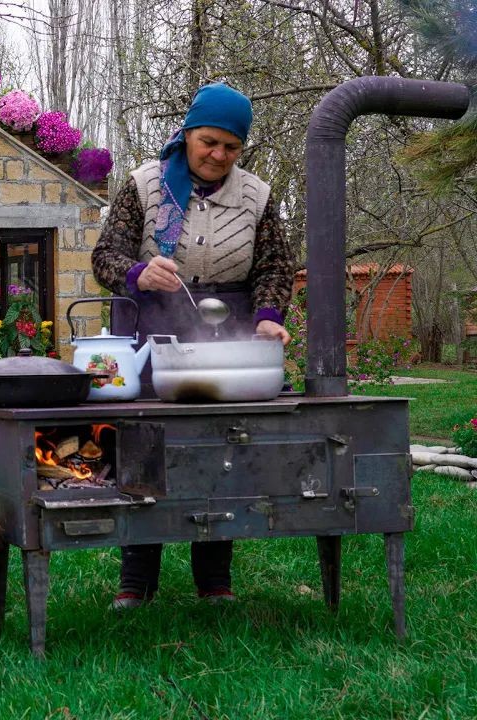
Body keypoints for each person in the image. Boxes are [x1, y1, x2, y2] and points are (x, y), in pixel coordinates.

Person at [91, 83, 296, 610]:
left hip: (226, 333)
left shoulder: (257, 196)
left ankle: (214, 579)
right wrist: (138, 272)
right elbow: (105, 258)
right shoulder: (145, 186)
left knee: (219, 448)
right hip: (151, 327)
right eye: (209, 142)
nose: (218, 155)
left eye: (231, 147)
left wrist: (270, 318)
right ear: (186, 135)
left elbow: (274, 267)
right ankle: (136, 580)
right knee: (145, 447)